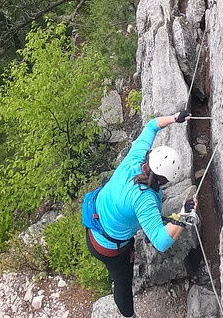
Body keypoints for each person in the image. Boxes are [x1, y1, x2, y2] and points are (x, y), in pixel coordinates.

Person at [81, 111, 196, 318]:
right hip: (107, 246)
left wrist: (175, 118)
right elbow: (160, 242)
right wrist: (183, 215)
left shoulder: (136, 158)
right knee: (122, 282)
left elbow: (152, 125)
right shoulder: (143, 199)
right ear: (163, 180)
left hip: (98, 218)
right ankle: (128, 316)